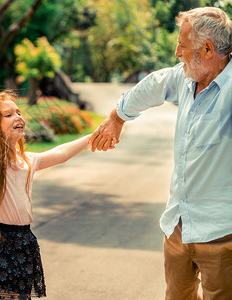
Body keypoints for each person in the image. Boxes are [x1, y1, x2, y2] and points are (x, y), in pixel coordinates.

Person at [90, 7, 232, 300]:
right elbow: (153, 85)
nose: (177, 52)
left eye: (183, 44)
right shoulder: (185, 78)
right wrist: (117, 118)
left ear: (207, 49)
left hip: (222, 233)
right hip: (178, 226)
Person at [0, 90, 114, 299]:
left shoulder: (26, 160)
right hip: (0, 242)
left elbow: (60, 153)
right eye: (8, 115)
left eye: (18, 112)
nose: (18, 117)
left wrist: (94, 136)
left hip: (24, 240)